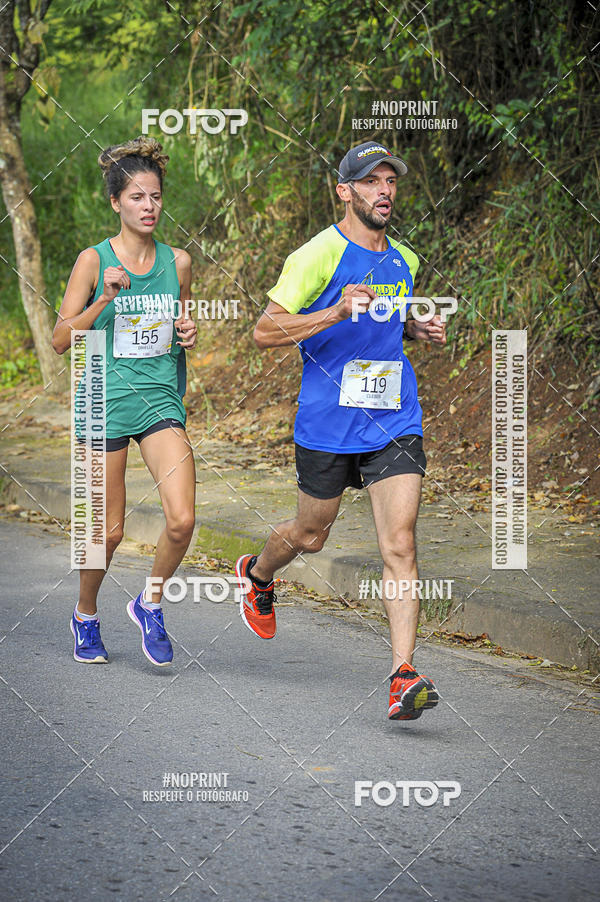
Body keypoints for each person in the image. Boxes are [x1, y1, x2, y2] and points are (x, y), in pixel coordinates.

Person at [236, 141, 446, 721]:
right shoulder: (317, 255)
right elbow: (264, 332)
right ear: (344, 190)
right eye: (371, 181)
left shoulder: (404, 257)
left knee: (400, 544)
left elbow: (385, 321)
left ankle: (403, 675)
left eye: (391, 181)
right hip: (328, 423)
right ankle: (257, 575)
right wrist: (334, 311)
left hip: (393, 420)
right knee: (311, 534)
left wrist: (414, 326)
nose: (384, 190)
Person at [52, 136, 197, 667]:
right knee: (105, 533)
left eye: (155, 197)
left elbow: (177, 323)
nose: (149, 207)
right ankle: (86, 614)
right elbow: (61, 339)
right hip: (100, 398)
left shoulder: (177, 262)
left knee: (181, 519)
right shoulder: (93, 261)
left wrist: (186, 331)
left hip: (159, 397)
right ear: (116, 203)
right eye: (137, 197)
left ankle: (150, 602)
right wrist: (105, 300)